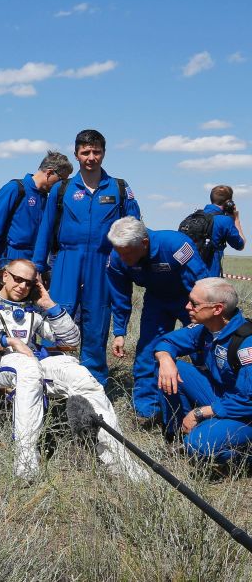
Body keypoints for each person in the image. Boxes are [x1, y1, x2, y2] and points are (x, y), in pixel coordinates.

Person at [0, 259, 147, 481]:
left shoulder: (31, 312)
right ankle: (26, 461)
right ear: (5, 276)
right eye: (18, 280)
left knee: (79, 373)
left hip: (31, 363)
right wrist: (10, 341)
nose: (23, 287)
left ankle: (118, 460)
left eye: (29, 283)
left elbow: (71, 339)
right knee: (28, 368)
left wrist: (48, 304)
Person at [32, 129, 140, 386]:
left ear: (104, 153)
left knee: (97, 323)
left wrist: (130, 264)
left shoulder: (119, 188)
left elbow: (134, 227)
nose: (91, 157)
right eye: (85, 152)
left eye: (96, 152)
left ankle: (94, 386)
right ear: (77, 154)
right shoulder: (62, 189)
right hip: (67, 261)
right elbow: (46, 229)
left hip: (103, 263)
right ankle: (51, 383)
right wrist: (37, 266)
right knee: (58, 320)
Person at [107, 217, 210, 421]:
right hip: (156, 301)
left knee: (202, 348)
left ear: (144, 243)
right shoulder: (118, 256)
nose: (122, 257)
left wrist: (202, 315)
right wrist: (119, 332)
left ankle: (205, 402)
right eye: (119, 252)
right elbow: (120, 296)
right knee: (147, 351)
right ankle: (148, 409)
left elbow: (201, 283)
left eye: (127, 253)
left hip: (189, 299)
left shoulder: (176, 245)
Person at [155, 278, 252, 464]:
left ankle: (245, 454)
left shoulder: (246, 345)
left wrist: (200, 413)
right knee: (167, 367)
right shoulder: (206, 329)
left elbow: (248, 400)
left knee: (199, 445)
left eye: (194, 303)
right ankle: (177, 434)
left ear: (217, 309)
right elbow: (166, 342)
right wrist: (166, 360)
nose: (187, 306)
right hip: (223, 396)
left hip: (244, 412)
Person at [0, 151, 73, 260]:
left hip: (33, 260)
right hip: (11, 258)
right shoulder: (14, 189)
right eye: (61, 180)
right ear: (49, 173)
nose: (62, 186)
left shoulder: (45, 198)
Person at [203, 185, 245, 277]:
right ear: (229, 203)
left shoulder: (193, 216)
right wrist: (236, 220)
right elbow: (240, 245)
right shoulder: (224, 221)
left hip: (189, 276)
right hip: (210, 276)